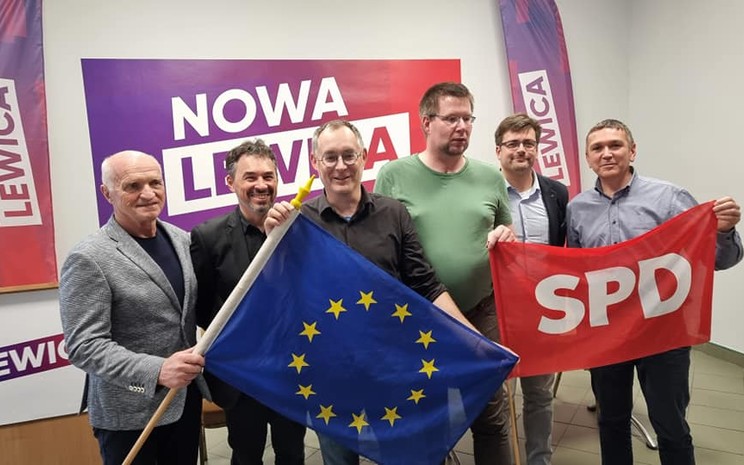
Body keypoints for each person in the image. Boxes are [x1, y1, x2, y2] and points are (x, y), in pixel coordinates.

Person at [265, 119, 480, 465]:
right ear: (315, 162)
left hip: (393, 368)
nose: (340, 166)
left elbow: (426, 284)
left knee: (409, 457)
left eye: (349, 155)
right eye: (330, 157)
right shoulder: (297, 222)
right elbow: (280, 294)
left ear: (364, 156)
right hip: (331, 374)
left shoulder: (393, 213)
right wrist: (272, 242)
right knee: (339, 460)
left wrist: (474, 340)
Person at [566, 119, 744, 465]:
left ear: (632, 151)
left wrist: (724, 232)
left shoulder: (670, 198)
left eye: (615, 145)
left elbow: (720, 260)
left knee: (671, 426)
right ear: (588, 158)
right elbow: (576, 272)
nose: (607, 153)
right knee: (611, 421)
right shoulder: (577, 208)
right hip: (606, 334)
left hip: (663, 333)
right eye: (597, 148)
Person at [374, 82, 516, 465]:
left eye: (468, 118)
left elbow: (505, 230)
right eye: (452, 118)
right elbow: (381, 241)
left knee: (490, 413)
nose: (462, 127)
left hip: (480, 312)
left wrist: (506, 234)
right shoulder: (394, 175)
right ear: (426, 122)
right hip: (419, 319)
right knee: (427, 415)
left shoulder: (490, 176)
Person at [59, 151, 207, 465]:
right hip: (128, 415)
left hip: (183, 402)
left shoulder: (183, 240)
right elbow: (84, 346)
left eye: (155, 182)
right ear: (107, 193)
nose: (148, 193)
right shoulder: (89, 257)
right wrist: (158, 370)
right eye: (133, 186)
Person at [190, 139, 306, 465]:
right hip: (239, 377)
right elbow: (203, 308)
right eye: (250, 177)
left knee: (292, 453)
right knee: (245, 454)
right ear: (230, 182)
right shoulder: (207, 237)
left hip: (291, 371)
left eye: (268, 176)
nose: (261, 185)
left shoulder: (299, 229)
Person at [494, 114, 568, 465]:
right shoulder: (484, 191)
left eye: (528, 143)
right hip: (497, 310)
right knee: (498, 396)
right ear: (498, 150)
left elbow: (565, 250)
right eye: (513, 143)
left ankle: (539, 459)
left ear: (537, 149)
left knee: (539, 393)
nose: (521, 149)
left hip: (543, 310)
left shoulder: (557, 193)